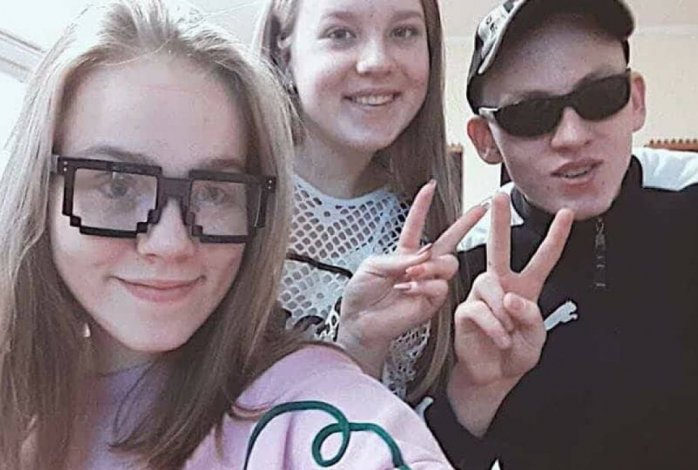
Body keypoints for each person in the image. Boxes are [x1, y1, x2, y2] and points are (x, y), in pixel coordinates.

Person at [0, 1, 473, 468]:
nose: (170, 243)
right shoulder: (27, 391)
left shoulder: (301, 406)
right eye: (118, 185)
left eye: (213, 192)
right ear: (38, 188)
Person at [424, 0, 698, 469]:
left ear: (635, 101)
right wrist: (473, 392)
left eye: (599, 96)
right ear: (486, 140)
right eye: (530, 113)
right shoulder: (460, 269)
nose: (572, 136)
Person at [255, 0, 468, 400]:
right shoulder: (224, 201)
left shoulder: (426, 227)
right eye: (340, 34)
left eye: (403, 32)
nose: (376, 62)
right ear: (284, 56)